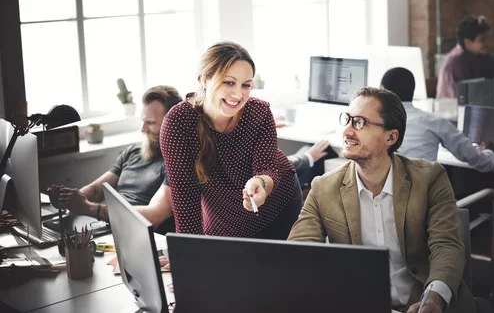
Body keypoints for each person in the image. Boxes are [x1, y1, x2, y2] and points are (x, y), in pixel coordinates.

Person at [288, 87, 476, 313]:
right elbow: (299, 251)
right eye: (347, 120)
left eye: (360, 122)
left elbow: (446, 246)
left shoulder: (430, 179)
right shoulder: (324, 187)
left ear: (391, 137)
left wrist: (435, 298)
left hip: (423, 302)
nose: (347, 131)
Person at [160, 41, 303, 239]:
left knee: (283, 268)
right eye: (228, 82)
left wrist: (260, 182)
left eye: (246, 85)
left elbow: (269, 167)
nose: (238, 94)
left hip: (278, 206)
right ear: (204, 79)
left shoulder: (258, 112)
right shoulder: (179, 122)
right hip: (224, 221)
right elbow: (185, 199)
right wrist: (187, 253)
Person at [48, 86, 183, 234]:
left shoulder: (177, 164)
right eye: (143, 121)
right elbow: (96, 190)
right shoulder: (132, 152)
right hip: (110, 227)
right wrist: (69, 199)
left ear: (173, 125)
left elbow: (153, 216)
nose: (143, 129)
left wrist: (89, 208)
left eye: (150, 123)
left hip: (136, 235)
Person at [383, 67, 494, 173]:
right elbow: (481, 162)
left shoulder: (375, 124)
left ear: (384, 92)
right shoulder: (433, 122)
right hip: (421, 193)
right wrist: (489, 152)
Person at [437, 15, 494, 99]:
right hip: (451, 109)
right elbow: (464, 98)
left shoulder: (472, 56)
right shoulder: (457, 60)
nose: (487, 43)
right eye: (482, 40)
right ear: (468, 42)